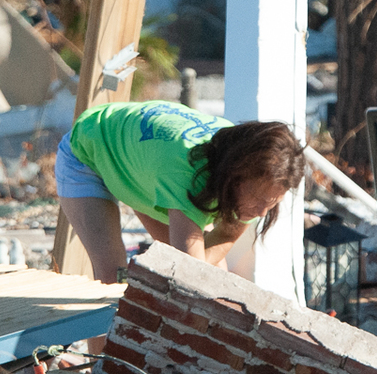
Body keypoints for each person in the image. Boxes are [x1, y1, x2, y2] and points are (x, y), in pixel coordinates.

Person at [56, 100, 307, 282]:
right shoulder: (186, 172)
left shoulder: (259, 177)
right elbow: (191, 274)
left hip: (143, 166)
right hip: (89, 150)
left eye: (272, 203)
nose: (262, 212)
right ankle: (105, 357)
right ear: (235, 175)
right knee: (112, 275)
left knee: (214, 274)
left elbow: (217, 246)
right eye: (258, 200)